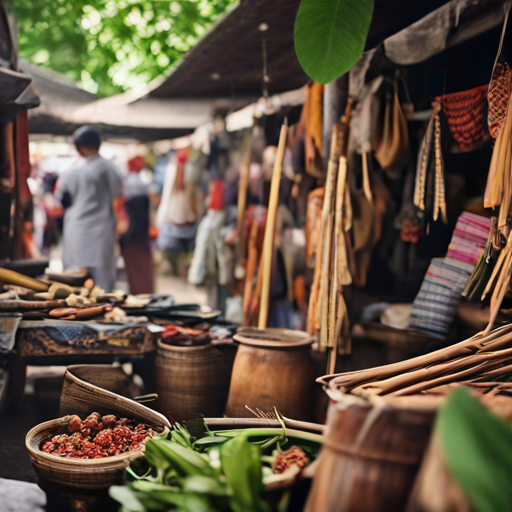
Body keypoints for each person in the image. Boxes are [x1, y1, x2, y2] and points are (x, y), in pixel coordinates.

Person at [56, 126, 123, 292]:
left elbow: (61, 200)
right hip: (101, 228)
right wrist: (120, 222)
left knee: (74, 279)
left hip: (75, 227)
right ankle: (106, 312)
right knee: (102, 281)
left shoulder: (71, 170)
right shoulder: (109, 167)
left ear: (80, 147)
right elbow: (118, 198)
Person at [118, 156, 154, 294]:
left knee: (136, 269)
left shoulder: (131, 181)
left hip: (134, 235)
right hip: (138, 235)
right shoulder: (137, 181)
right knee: (141, 269)